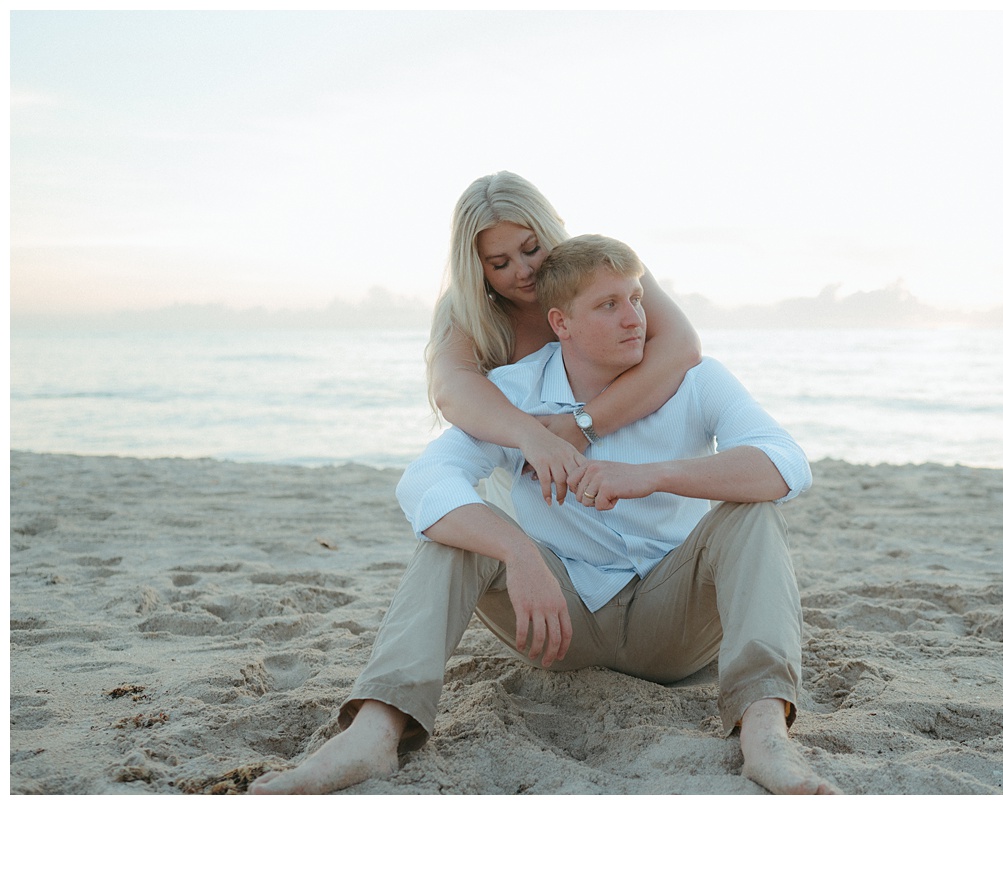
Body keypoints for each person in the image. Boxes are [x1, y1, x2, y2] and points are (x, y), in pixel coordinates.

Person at [250, 235, 837, 795]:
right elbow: (425, 482)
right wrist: (516, 550)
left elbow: (785, 463)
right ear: (561, 323)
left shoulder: (695, 379)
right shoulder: (514, 394)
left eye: (636, 297)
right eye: (609, 305)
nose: (635, 317)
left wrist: (651, 476)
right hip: (560, 623)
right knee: (459, 534)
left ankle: (765, 734)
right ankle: (375, 732)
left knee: (753, 516)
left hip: (674, 623)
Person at [425, 171, 702, 506]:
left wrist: (585, 425)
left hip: (630, 480)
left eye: (531, 249)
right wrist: (532, 437)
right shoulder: (468, 312)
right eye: (500, 264)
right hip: (533, 494)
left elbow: (681, 347)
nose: (523, 270)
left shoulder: (602, 267)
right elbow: (451, 389)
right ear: (477, 268)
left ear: (549, 230)